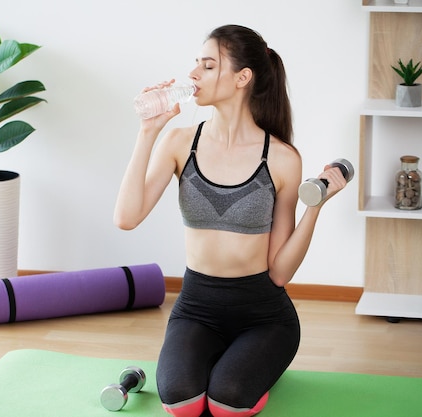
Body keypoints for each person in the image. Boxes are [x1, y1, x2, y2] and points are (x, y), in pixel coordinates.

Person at [113, 24, 347, 417]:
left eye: (207, 66)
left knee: (227, 403)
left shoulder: (282, 158)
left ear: (242, 78)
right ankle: (226, 360)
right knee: (182, 403)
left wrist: (315, 207)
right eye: (196, 65)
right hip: (196, 308)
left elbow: (279, 272)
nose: (193, 75)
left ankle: (246, 365)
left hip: (264, 316)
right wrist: (148, 130)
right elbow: (126, 217)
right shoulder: (178, 143)